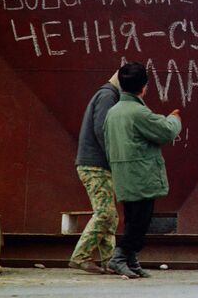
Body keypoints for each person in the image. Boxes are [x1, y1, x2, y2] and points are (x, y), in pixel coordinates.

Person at [104, 62, 182, 278]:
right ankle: (119, 257)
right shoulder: (139, 112)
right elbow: (165, 132)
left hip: (123, 175)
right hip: (141, 175)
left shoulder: (113, 112)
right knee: (140, 222)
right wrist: (174, 119)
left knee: (131, 219)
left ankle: (131, 261)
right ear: (144, 87)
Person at [68, 71, 121, 274]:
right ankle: (80, 256)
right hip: (95, 165)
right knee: (105, 213)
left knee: (110, 215)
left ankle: (109, 261)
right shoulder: (108, 96)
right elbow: (102, 129)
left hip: (96, 164)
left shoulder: (107, 94)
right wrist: (114, 156)